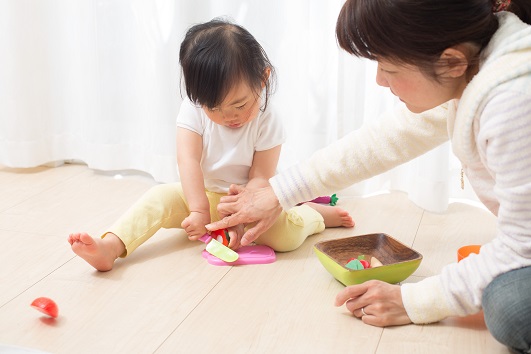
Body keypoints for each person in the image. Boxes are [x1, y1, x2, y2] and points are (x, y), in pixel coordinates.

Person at [206, 1, 531, 352]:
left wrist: (414, 301)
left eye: (388, 68)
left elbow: (519, 247)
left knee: (508, 306)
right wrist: (280, 192)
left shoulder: (512, 102)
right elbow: (390, 138)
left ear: (451, 62)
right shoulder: (480, 65)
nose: (378, 79)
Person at [67, 19, 354, 272]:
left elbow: (260, 176)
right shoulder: (192, 110)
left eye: (240, 104)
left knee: (286, 237)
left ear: (263, 80)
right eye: (213, 108)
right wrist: (198, 209)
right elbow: (188, 161)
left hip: (250, 200)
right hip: (201, 195)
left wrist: (242, 215)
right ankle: (111, 247)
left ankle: (315, 214)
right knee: (157, 198)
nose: (229, 116)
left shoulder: (268, 120)